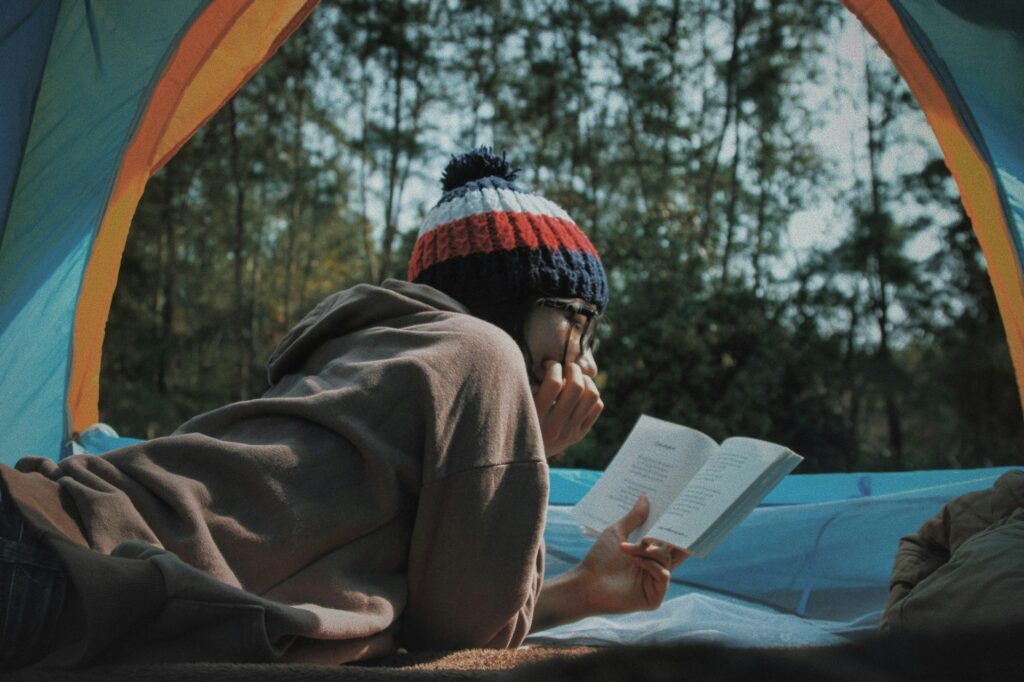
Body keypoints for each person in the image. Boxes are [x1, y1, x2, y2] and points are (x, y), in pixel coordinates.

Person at [0, 148, 686, 671]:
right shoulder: (484, 355)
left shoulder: (384, 353)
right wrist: (532, 445)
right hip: (62, 564)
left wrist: (582, 590)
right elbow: (467, 642)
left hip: (43, 538)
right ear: (511, 304)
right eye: (579, 322)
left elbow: (428, 607)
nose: (589, 359)